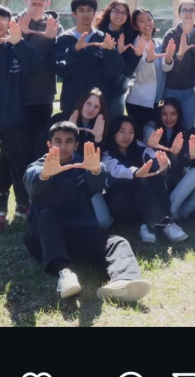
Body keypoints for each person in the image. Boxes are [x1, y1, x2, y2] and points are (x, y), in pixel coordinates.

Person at [24, 123, 151, 302]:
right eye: (57, 141)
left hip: (78, 234)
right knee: (46, 216)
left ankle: (125, 281)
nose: (62, 146)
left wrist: (95, 170)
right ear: (49, 145)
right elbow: (32, 185)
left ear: (76, 145)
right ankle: (64, 274)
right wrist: (45, 174)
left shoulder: (84, 164)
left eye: (69, 141)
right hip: (44, 239)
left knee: (117, 242)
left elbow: (95, 184)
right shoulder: (37, 167)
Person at [101, 116, 187, 245]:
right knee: (140, 178)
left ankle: (149, 224)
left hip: (142, 203)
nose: (127, 136)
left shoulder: (138, 146)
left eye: (131, 132)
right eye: (122, 131)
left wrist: (162, 165)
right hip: (120, 204)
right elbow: (116, 173)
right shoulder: (106, 154)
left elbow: (154, 157)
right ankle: (166, 222)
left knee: (155, 173)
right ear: (113, 132)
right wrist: (136, 173)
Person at [56, 0, 131, 120]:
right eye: (81, 10)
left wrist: (110, 52)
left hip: (99, 104)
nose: (85, 14)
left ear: (95, 13)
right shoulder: (64, 39)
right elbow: (60, 69)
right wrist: (75, 50)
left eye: (89, 10)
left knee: (97, 137)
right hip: (72, 101)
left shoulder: (104, 38)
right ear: (73, 14)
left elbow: (115, 71)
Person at [0, 13, 41, 223]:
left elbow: (36, 68)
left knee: (17, 162)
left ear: (10, 23)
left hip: (13, 117)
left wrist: (19, 44)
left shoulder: (15, 46)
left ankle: (22, 204)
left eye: (2, 19)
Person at [16, 0, 63, 159]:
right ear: (25, 0)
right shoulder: (13, 23)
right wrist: (24, 33)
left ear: (47, 3)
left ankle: (36, 179)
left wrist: (51, 39)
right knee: (14, 145)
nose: (37, 2)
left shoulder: (54, 26)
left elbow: (57, 59)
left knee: (39, 140)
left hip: (43, 94)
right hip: (16, 95)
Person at [161, 0, 195, 126]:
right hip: (170, 89)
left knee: (188, 126)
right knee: (168, 126)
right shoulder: (171, 35)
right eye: (184, 10)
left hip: (188, 91)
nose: (188, 13)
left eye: (191, 10)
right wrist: (180, 54)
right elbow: (170, 68)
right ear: (179, 15)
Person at [92, 0, 143, 118]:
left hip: (118, 90)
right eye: (116, 11)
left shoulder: (130, 36)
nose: (119, 15)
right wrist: (115, 54)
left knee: (114, 126)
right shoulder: (97, 34)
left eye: (124, 12)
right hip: (97, 90)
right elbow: (96, 64)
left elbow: (128, 71)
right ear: (109, 11)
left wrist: (136, 55)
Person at [125, 8, 166, 135]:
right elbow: (140, 77)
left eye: (149, 19)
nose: (147, 23)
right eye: (141, 21)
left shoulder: (158, 43)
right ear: (135, 26)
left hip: (156, 101)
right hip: (139, 102)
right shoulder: (136, 45)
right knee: (139, 139)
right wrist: (149, 61)